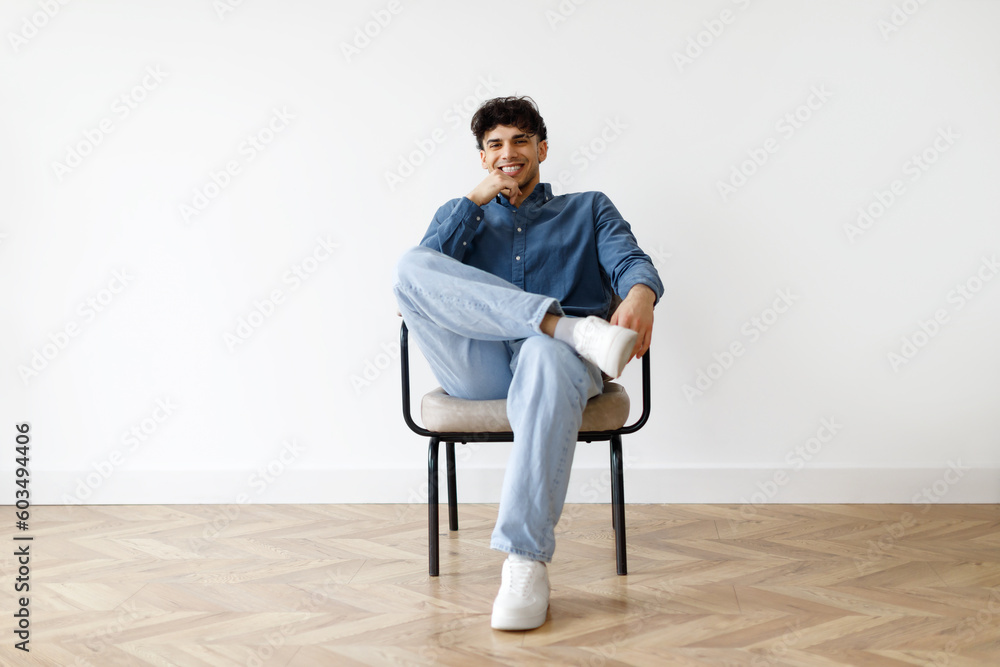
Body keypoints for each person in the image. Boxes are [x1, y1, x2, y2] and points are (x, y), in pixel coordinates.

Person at [393, 96, 663, 631]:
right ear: (482, 157)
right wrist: (474, 202)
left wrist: (640, 294)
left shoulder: (588, 208)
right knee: (409, 266)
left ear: (541, 148)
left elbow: (630, 259)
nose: (508, 153)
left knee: (543, 351)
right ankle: (564, 324)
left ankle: (524, 561)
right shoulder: (461, 216)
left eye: (519, 140)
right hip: (481, 365)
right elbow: (425, 283)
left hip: (559, 365)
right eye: (494, 144)